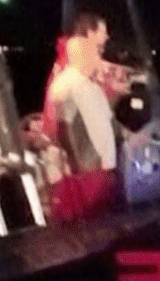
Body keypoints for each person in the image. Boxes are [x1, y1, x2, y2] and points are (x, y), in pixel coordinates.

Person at [43, 12, 120, 218]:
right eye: (102, 31)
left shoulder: (83, 72)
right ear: (89, 34)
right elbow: (60, 122)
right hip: (83, 167)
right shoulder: (72, 75)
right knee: (83, 216)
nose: (107, 36)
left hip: (92, 163)